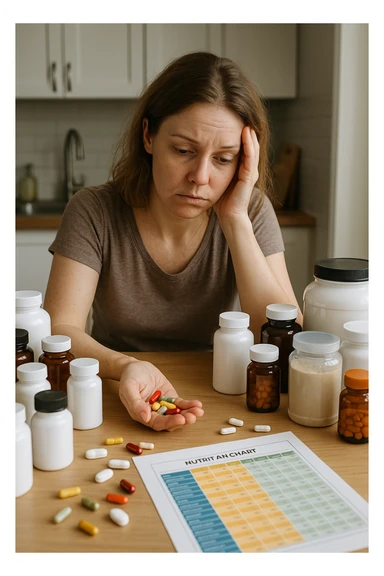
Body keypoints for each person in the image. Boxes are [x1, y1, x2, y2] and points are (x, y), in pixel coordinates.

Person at [44, 51, 303, 432]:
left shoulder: (250, 211)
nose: (200, 176)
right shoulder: (94, 210)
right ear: (148, 136)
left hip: (220, 392)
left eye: (223, 158)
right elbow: (58, 328)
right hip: (114, 389)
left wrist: (234, 221)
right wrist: (126, 365)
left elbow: (284, 333)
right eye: (183, 151)